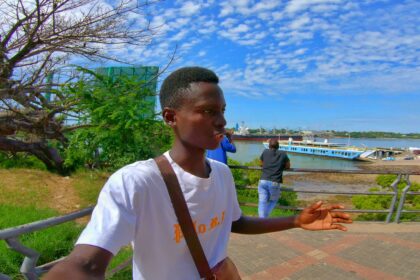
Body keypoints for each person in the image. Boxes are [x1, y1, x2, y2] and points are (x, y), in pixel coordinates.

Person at [44, 67, 352, 280]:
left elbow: (236, 222)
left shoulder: (221, 174)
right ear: (170, 117)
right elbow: (87, 262)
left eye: (222, 111)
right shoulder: (137, 182)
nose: (221, 121)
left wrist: (296, 221)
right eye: (207, 111)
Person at [258, 138, 290, 218]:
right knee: (273, 200)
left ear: (269, 146)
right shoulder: (283, 154)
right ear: (278, 146)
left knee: (262, 202)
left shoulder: (265, 151)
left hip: (263, 180)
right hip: (274, 182)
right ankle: (265, 217)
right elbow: (288, 166)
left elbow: (261, 163)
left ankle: (262, 220)